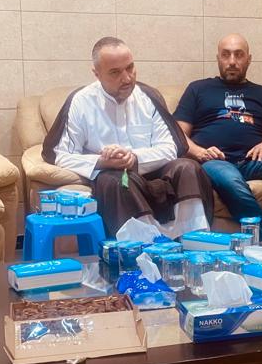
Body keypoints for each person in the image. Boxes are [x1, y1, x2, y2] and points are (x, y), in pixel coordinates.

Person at [43, 37, 213, 238]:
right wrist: (102, 162)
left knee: (188, 167)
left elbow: (169, 147)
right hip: (114, 176)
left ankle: (195, 241)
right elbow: (62, 155)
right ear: (97, 74)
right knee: (119, 181)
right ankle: (144, 246)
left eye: (130, 68)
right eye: (115, 72)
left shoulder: (147, 97)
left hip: (152, 168)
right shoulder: (81, 102)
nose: (127, 78)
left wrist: (133, 158)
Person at [174, 34, 262, 242]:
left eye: (238, 55)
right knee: (230, 179)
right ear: (218, 58)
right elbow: (178, 134)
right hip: (215, 161)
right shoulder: (198, 89)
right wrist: (200, 152)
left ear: (249, 59)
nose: (232, 61)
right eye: (226, 55)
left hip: (253, 161)